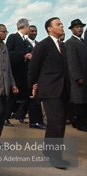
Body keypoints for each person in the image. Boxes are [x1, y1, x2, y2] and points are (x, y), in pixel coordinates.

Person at [28, 17, 71, 169]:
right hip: (49, 89)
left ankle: (48, 152)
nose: (62, 26)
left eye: (61, 24)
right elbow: (33, 67)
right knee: (56, 122)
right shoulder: (43, 45)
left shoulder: (63, 46)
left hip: (63, 90)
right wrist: (32, 87)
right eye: (58, 24)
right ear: (49, 29)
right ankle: (55, 156)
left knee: (58, 122)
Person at [4, 18, 33, 127]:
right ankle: (5, 118)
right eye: (29, 27)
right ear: (25, 27)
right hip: (15, 73)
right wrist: (23, 56)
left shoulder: (24, 40)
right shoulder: (13, 37)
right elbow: (9, 54)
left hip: (22, 73)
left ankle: (19, 115)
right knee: (12, 97)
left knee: (25, 97)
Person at [65, 19, 87, 132]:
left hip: (84, 76)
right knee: (79, 101)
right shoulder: (70, 42)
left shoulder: (83, 41)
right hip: (78, 78)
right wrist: (78, 77)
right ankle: (79, 123)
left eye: (81, 27)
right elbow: (72, 61)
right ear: (72, 29)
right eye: (77, 27)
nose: (79, 29)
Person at [26, 25, 46, 129]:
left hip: (39, 76)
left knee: (37, 99)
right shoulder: (24, 43)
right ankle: (35, 121)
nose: (34, 33)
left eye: (36, 31)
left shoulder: (39, 44)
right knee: (34, 100)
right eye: (32, 31)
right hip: (29, 76)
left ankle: (37, 121)